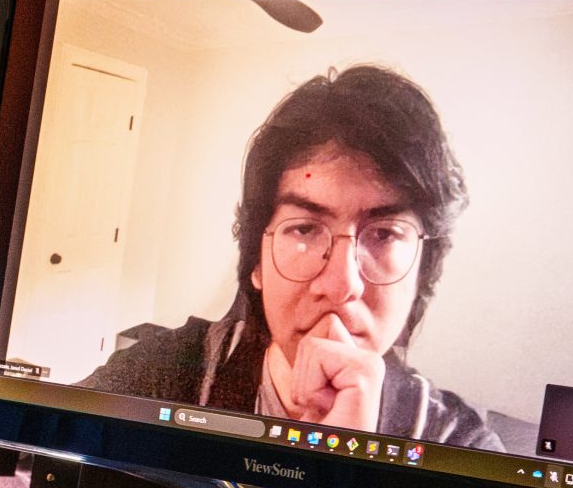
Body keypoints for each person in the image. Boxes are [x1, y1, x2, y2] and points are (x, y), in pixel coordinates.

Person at [75, 63, 501, 449]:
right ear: (256, 262)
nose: (341, 285)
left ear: (421, 272)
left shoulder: (459, 443)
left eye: (385, 234)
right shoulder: (161, 374)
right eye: (304, 229)